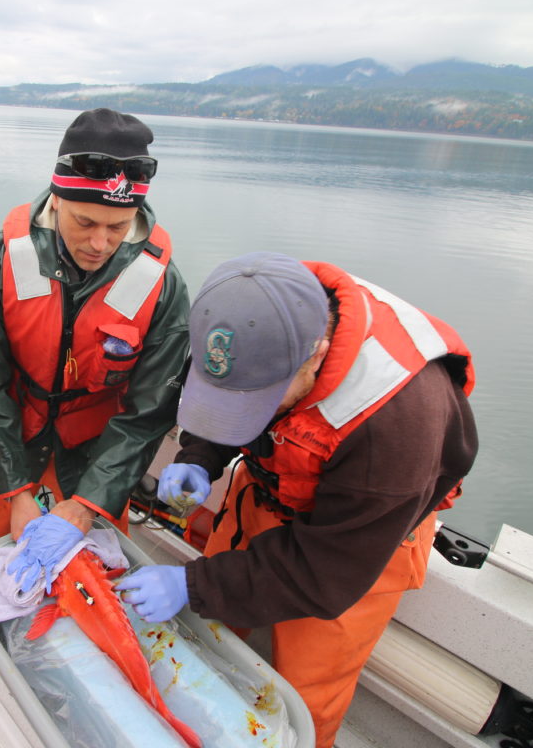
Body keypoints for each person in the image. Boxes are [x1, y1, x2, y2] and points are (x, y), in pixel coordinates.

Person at [116, 252, 478, 748]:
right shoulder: (247, 312)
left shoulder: (397, 426)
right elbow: (225, 388)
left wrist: (191, 582)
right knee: (208, 629)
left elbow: (327, 573)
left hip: (352, 545)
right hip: (267, 491)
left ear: (317, 354)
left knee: (306, 697)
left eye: (258, 400)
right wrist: (199, 456)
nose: (244, 407)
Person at [0, 108, 190, 595]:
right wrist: (16, 492)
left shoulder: (162, 285)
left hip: (97, 460)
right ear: (57, 199)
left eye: (118, 227)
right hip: (4, 443)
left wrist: (86, 505)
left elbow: (147, 414)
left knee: (87, 586)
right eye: (84, 221)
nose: (99, 243)